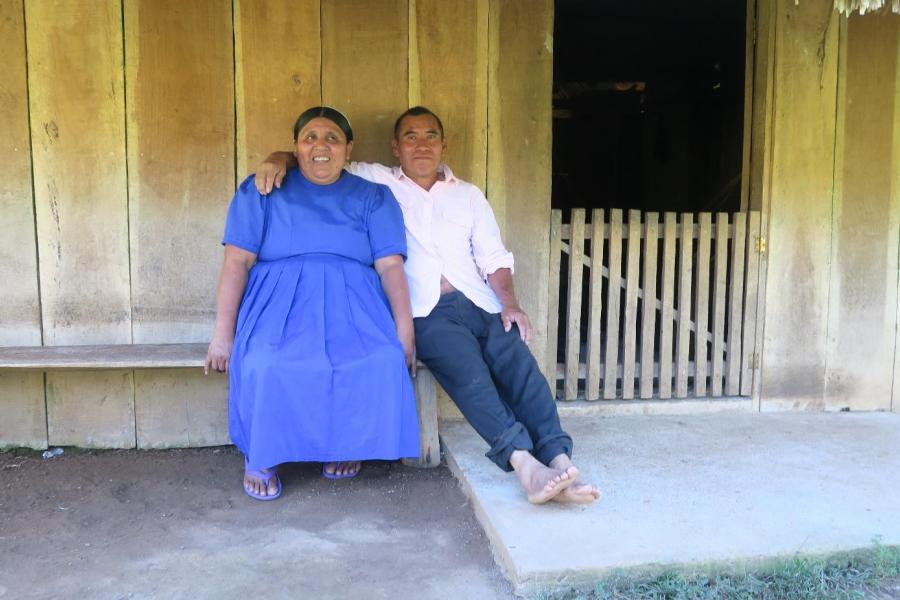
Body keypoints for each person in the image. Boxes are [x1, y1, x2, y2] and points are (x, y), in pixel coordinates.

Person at [255, 107, 599, 505]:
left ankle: (559, 460)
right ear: (395, 147)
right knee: (469, 375)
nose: (421, 144)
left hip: (481, 302)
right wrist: (276, 159)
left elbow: (494, 258)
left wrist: (510, 304)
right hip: (426, 311)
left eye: (430, 136)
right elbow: (321, 156)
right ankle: (526, 466)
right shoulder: (375, 181)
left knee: (520, 367)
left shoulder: (468, 195)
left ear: (443, 144)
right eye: (411, 137)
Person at [206, 106, 419, 501]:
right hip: (277, 304)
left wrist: (404, 332)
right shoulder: (262, 189)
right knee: (266, 362)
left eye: (333, 138)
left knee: (376, 358)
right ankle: (262, 454)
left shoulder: (374, 197)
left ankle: (345, 443)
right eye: (310, 138)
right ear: (295, 147)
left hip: (354, 305)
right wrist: (222, 335)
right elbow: (237, 261)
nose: (321, 146)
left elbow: (390, 267)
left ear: (348, 148)